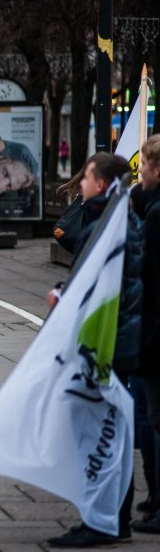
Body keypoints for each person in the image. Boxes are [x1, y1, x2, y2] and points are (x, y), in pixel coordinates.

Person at [46, 152, 144, 548]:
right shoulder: (123, 218)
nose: (80, 185)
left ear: (101, 184)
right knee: (115, 430)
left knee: (98, 432)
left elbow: (91, 282)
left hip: (106, 343)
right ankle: (115, 517)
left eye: (86, 178)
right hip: (120, 340)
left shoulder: (103, 225)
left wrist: (61, 297)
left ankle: (100, 521)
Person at [132, 135, 160, 535]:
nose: (140, 173)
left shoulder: (156, 215)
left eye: (144, 168)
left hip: (155, 331)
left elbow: (146, 272)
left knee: (157, 418)